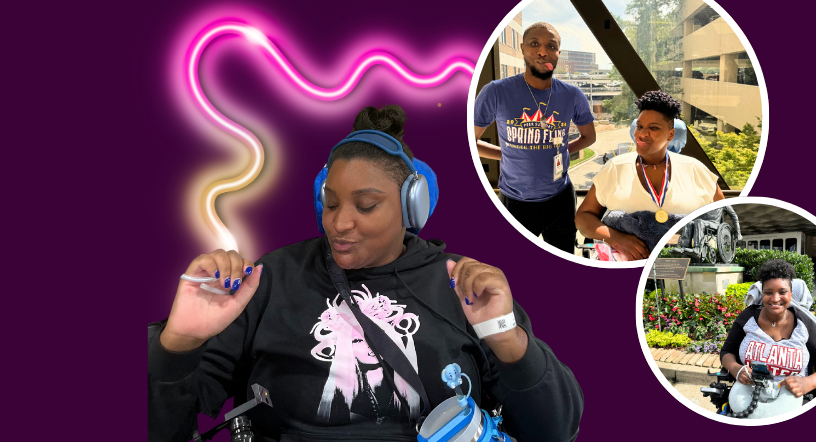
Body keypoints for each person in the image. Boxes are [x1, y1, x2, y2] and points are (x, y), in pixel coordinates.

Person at [148, 105, 583, 442]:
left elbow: (556, 430)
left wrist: (507, 339)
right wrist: (176, 345)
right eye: (332, 203)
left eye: (367, 205)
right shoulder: (270, 278)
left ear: (412, 204)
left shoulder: (463, 286)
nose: (339, 223)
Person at [473, 22, 596, 254]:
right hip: (515, 202)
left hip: (560, 199)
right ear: (522, 48)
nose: (542, 51)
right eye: (534, 44)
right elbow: (470, 141)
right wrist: (506, 154)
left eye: (551, 46)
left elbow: (589, 137)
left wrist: (559, 152)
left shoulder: (572, 95)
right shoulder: (496, 92)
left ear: (558, 53)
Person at [575, 90, 723, 260]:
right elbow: (583, 217)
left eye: (653, 128)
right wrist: (616, 238)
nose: (642, 134)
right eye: (639, 127)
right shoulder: (616, 168)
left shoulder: (695, 170)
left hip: (686, 275)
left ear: (671, 135)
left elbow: (723, 220)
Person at [719, 260, 816, 412]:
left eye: (782, 292)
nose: (775, 299)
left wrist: (808, 383)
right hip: (748, 396)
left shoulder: (804, 324)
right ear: (762, 293)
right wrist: (736, 368)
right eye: (768, 292)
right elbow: (727, 351)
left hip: (792, 402)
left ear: (791, 294)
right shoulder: (747, 318)